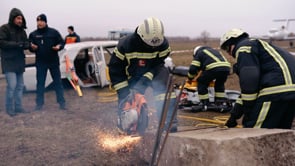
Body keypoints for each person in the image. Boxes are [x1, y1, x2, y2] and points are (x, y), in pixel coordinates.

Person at [108, 17, 178, 134]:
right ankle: (125, 127)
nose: (153, 48)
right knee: (127, 102)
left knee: (164, 84)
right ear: (141, 37)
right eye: (150, 45)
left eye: (156, 45)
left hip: (153, 72)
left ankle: (168, 121)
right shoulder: (125, 45)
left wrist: (146, 78)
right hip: (131, 77)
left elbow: (159, 64)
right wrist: (123, 92)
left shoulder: (163, 44)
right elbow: (116, 69)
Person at [220, 28, 295, 129]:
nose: (229, 53)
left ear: (232, 42)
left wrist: (249, 110)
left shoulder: (244, 48)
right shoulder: (262, 47)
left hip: (274, 91)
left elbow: (249, 83)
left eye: (227, 49)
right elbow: (248, 92)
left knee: (253, 134)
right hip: (291, 93)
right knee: (280, 134)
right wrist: (234, 116)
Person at [29, 14, 66, 111]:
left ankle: (62, 103)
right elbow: (30, 46)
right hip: (41, 62)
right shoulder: (33, 34)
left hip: (53, 62)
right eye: (38, 21)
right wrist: (32, 48)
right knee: (40, 84)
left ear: (45, 22)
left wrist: (59, 47)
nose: (39, 23)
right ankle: (39, 104)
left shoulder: (53, 32)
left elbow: (62, 42)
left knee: (58, 83)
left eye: (41, 21)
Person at [0, 8, 30, 116]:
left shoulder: (22, 31)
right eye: (18, 18)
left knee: (20, 86)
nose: (20, 21)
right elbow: (2, 43)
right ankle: (9, 108)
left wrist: (29, 45)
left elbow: (25, 43)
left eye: (21, 18)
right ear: (13, 18)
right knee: (12, 86)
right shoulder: (4, 28)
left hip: (19, 62)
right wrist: (18, 44)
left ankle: (18, 107)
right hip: (8, 62)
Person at [187, 46, 231, 111]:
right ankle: (219, 102)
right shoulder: (215, 51)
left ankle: (204, 102)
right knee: (219, 84)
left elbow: (193, 69)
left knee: (202, 82)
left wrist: (190, 78)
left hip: (213, 68)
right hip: (226, 68)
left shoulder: (200, 53)